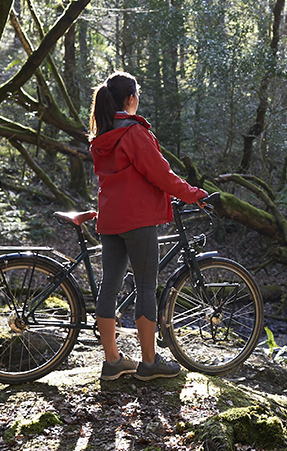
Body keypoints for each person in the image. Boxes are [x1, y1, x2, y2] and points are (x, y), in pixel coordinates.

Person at [88, 71, 208, 381]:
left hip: (111, 218)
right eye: (136, 97)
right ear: (130, 100)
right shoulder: (133, 133)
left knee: (110, 284)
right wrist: (194, 194)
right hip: (138, 219)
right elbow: (161, 175)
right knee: (144, 285)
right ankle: (149, 362)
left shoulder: (102, 135)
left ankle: (112, 361)